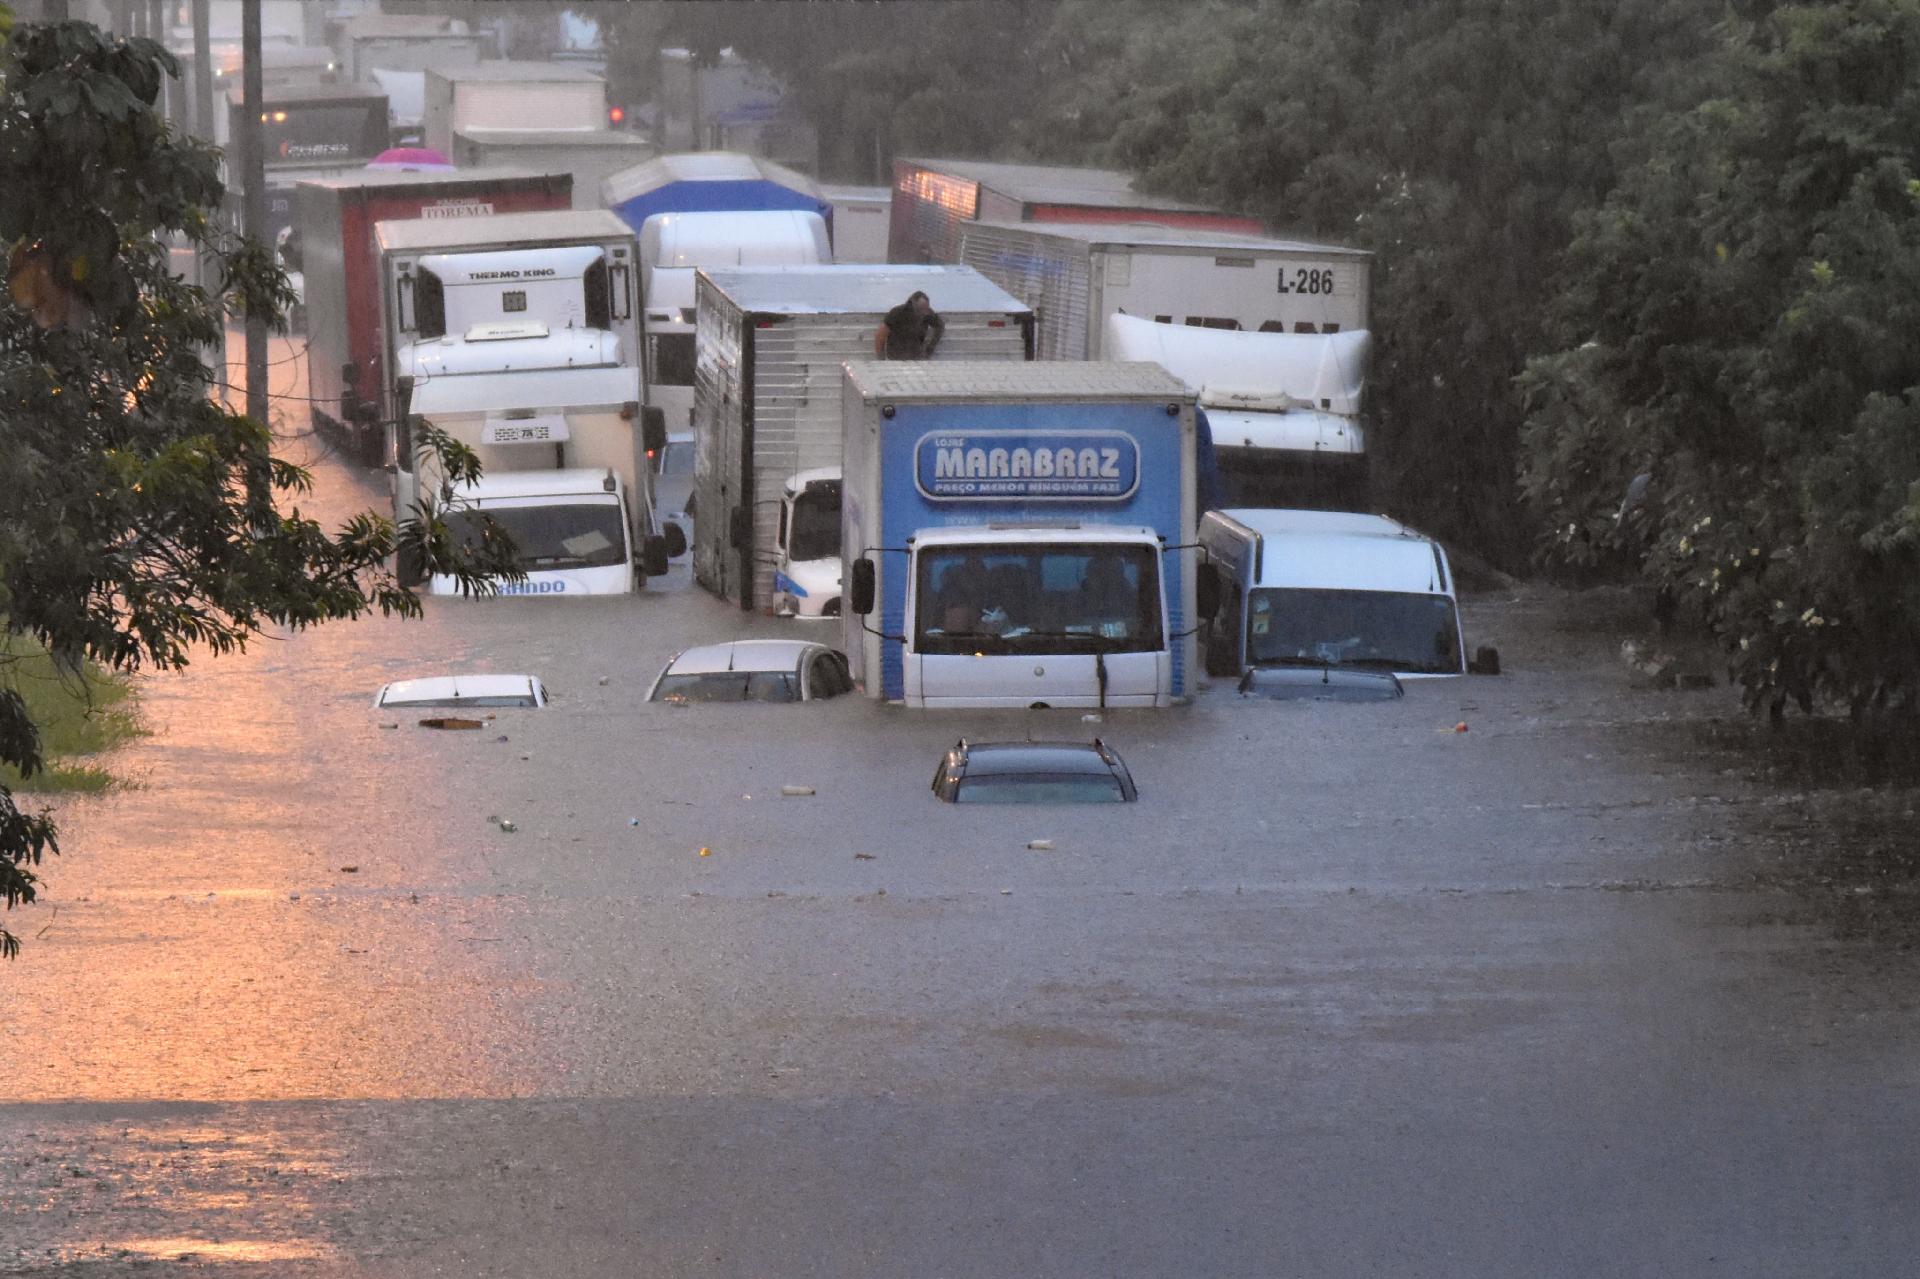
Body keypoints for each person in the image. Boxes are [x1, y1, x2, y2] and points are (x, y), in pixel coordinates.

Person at [874, 290, 944, 360]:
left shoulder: (928, 313)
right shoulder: (897, 313)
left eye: (926, 309)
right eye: (920, 310)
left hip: (917, 357)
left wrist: (931, 347)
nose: (924, 313)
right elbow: (881, 335)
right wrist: (881, 358)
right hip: (895, 357)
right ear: (912, 305)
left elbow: (940, 326)